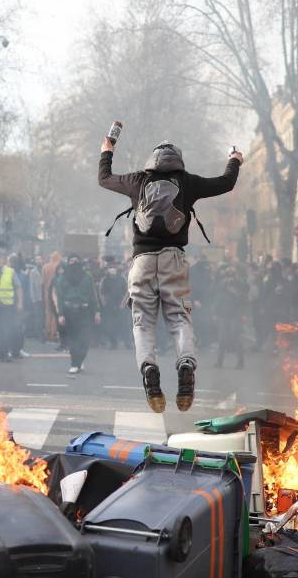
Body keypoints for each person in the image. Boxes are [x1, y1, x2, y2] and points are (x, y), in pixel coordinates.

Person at [99, 136, 241, 413]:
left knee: (142, 323)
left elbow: (104, 178)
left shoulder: (136, 180)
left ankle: (149, 370)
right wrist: (234, 160)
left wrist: (108, 150)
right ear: (178, 160)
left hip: (141, 261)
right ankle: (186, 364)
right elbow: (226, 183)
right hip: (173, 260)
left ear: (151, 160)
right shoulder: (187, 182)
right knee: (178, 318)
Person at [53, 255, 100, 374]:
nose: (73, 263)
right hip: (69, 312)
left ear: (80, 263)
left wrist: (97, 311)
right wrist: (61, 314)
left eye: (76, 261)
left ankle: (80, 359)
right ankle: (75, 363)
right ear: (67, 263)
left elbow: (93, 295)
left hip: (84, 312)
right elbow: (60, 298)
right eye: (71, 261)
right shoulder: (62, 278)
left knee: (85, 339)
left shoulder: (87, 277)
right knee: (73, 339)